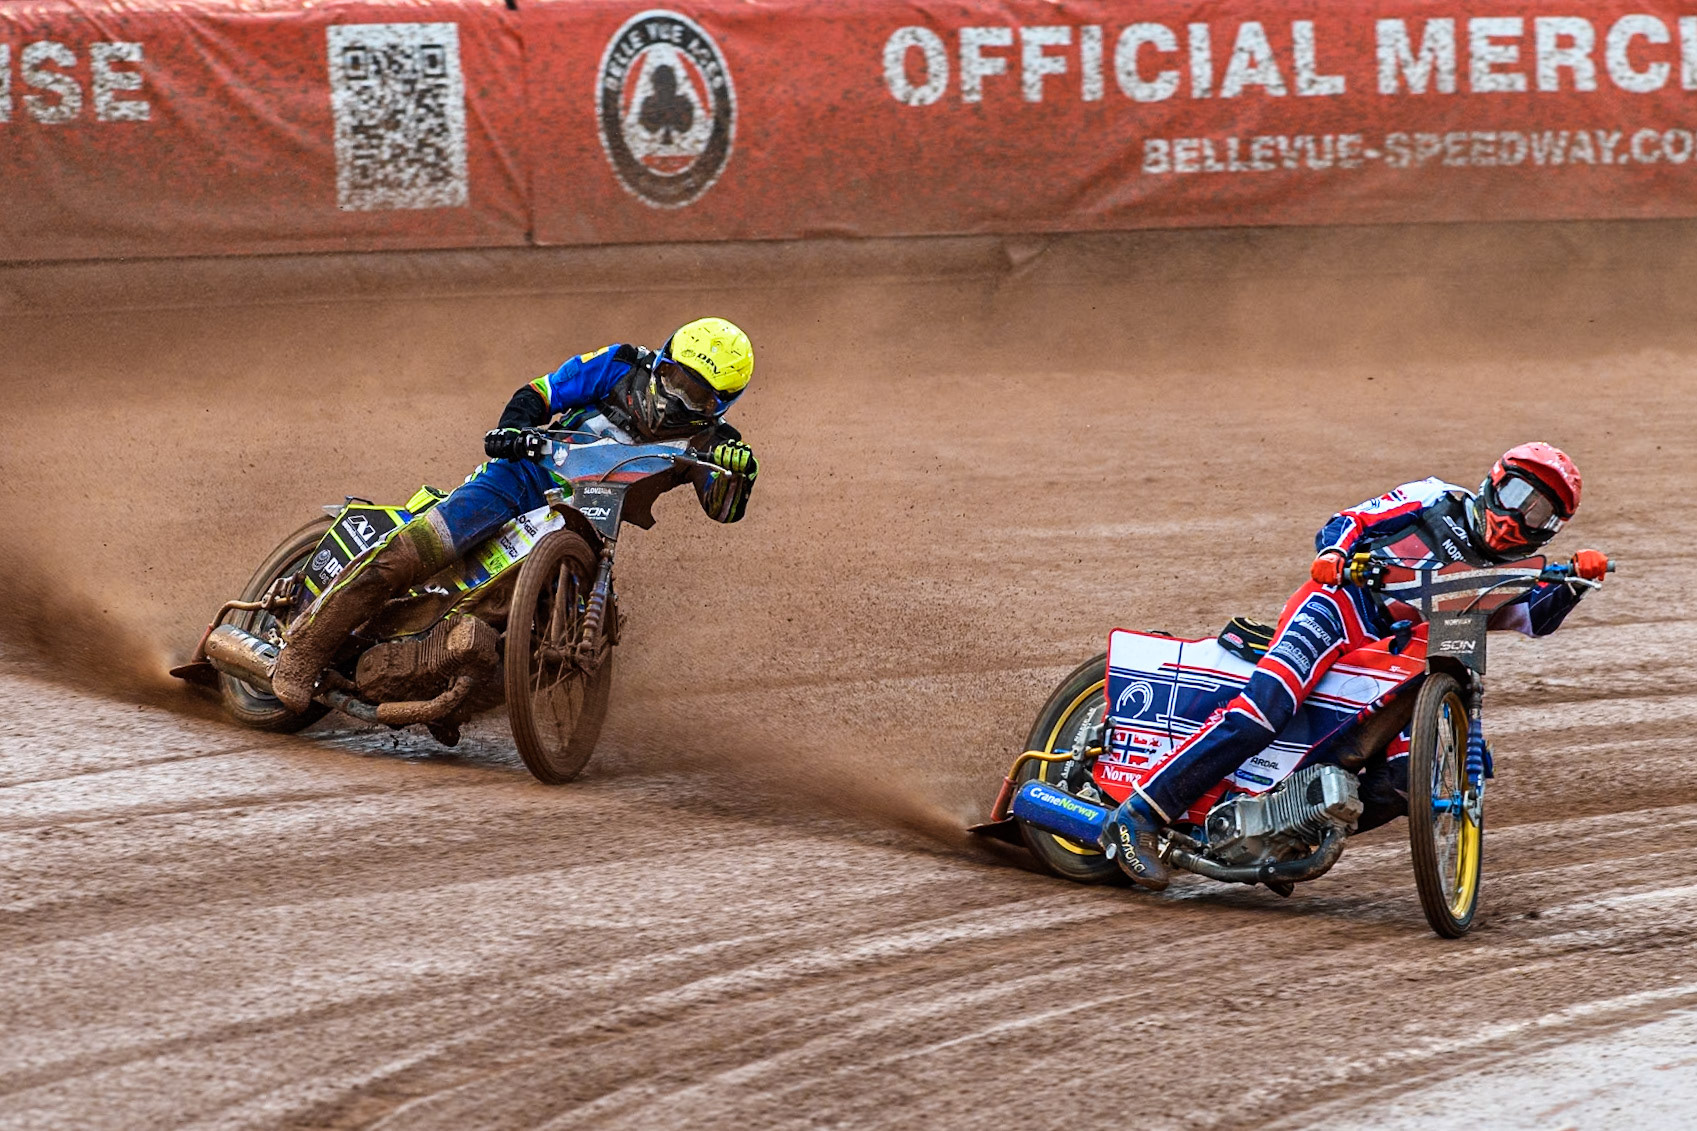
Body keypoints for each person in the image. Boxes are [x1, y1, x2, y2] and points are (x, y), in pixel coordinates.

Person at [1101, 442, 1610, 890]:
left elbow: (1536, 618)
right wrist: (1334, 553)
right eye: (1520, 497)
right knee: (1268, 706)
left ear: (1552, 531)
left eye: (1541, 515)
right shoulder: (1434, 498)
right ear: (1495, 482)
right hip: (1342, 608)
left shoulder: (1512, 571)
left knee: (1405, 780)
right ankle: (1139, 814)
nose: (1520, 518)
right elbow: (1351, 521)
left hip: (1408, 650)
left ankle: (1286, 836)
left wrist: (1576, 583)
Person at [270, 316, 760, 712]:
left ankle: (453, 685)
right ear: (663, 360)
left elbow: (723, 510)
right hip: (524, 478)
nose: (676, 395)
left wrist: (741, 476)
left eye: (695, 394)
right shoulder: (619, 365)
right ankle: (303, 651)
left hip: (590, 520)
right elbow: (540, 393)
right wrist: (513, 430)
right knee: (422, 548)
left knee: (559, 620)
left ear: (720, 404)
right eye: (674, 378)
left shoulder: (717, 445)